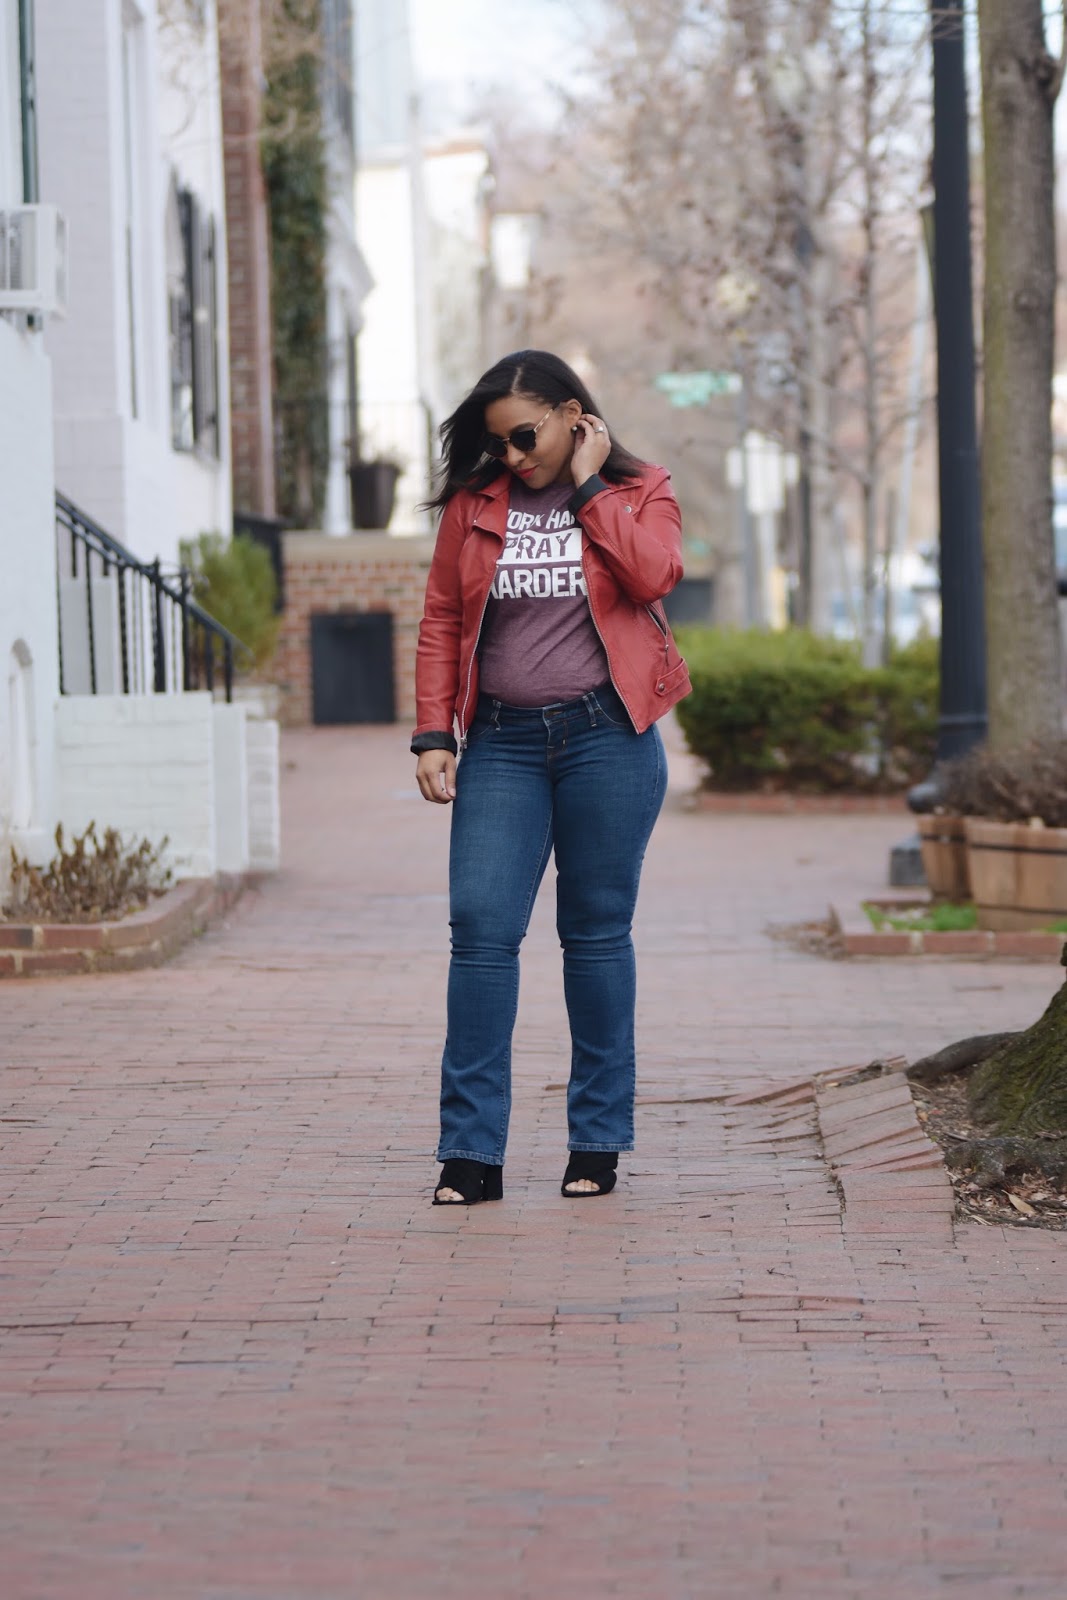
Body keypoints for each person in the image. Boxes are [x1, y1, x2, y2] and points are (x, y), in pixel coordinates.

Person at [411, 349, 691, 1204]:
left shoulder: (640, 490)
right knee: (480, 931)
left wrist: (589, 488)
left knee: (595, 935)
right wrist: (433, 732)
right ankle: (469, 1152)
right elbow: (442, 617)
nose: (510, 455)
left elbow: (653, 575)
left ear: (573, 415)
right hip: (501, 742)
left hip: (607, 737)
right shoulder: (475, 503)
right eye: (497, 443)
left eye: (523, 436)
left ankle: (596, 1142)